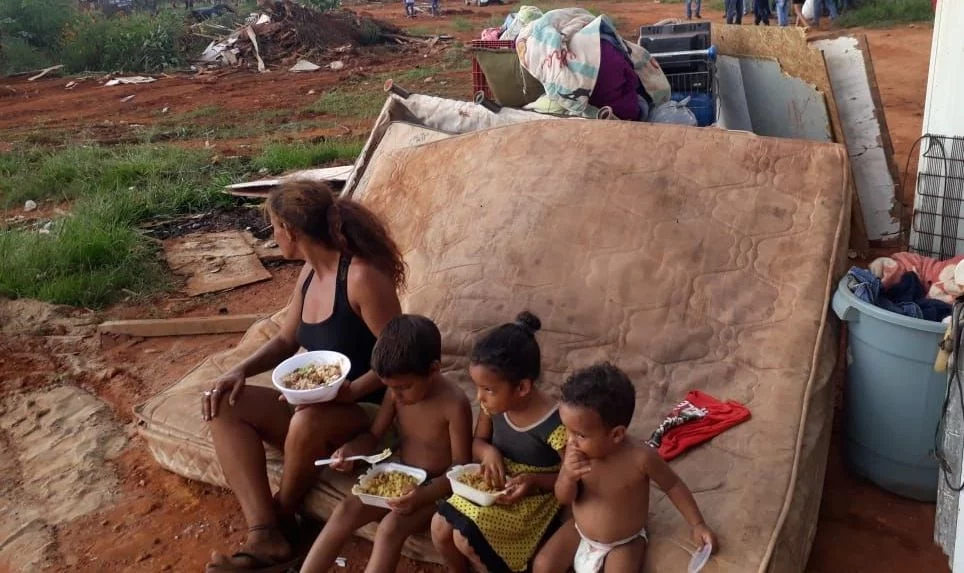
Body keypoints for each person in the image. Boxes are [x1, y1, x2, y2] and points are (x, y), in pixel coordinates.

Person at [201, 180, 406, 572]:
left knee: (307, 420)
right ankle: (265, 533)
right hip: (317, 409)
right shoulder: (310, 274)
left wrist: (350, 393)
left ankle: (282, 516)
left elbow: (400, 358)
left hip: (368, 415)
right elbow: (286, 339)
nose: (273, 235)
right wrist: (238, 370)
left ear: (289, 230)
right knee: (225, 403)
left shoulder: (361, 278)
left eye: (273, 227)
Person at [301, 314, 474, 573]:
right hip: (398, 476)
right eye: (390, 387)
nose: (397, 395)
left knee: (390, 529)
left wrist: (423, 495)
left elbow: (460, 468)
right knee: (345, 510)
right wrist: (352, 451)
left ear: (434, 369)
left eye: (404, 387)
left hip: (436, 491)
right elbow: (373, 436)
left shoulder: (454, 404)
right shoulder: (395, 393)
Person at [532, 363, 718, 573]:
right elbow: (564, 498)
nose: (570, 441)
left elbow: (673, 485)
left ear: (616, 434)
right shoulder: (576, 454)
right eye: (567, 430)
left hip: (623, 542)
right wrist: (567, 476)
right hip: (579, 530)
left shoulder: (640, 458)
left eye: (580, 435)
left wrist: (697, 524)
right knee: (542, 565)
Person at [432, 312, 567, 573]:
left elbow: (571, 477)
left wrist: (534, 481)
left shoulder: (555, 423)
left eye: (488, 389)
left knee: (464, 538)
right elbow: (478, 442)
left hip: (530, 499)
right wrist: (488, 452)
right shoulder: (493, 406)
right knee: (438, 527)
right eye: (478, 387)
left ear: (522, 388)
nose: (480, 397)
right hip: (492, 486)